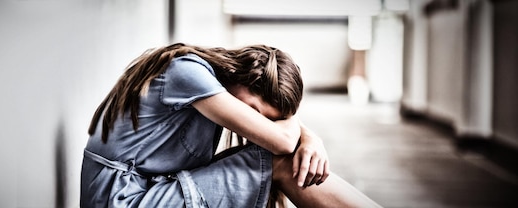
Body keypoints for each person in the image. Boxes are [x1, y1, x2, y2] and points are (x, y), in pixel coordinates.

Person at [81, 43, 380, 207]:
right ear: (242, 77)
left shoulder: (206, 81)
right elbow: (284, 142)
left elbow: (284, 134)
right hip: (122, 200)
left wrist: (312, 139)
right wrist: (305, 136)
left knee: (279, 159)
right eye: (254, 111)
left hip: (145, 191)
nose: (255, 124)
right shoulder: (188, 74)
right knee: (281, 161)